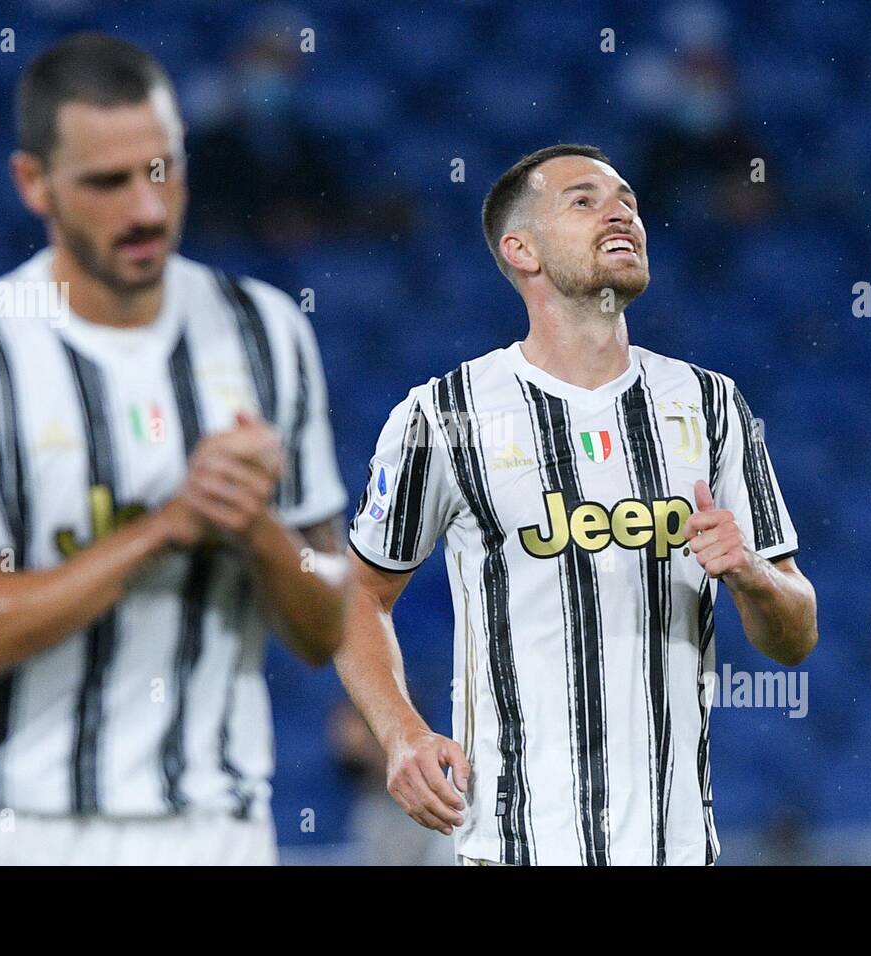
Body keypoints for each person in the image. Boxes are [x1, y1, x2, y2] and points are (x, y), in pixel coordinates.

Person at [0, 33, 348, 865]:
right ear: (34, 183)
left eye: (162, 170)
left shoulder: (266, 335)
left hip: (211, 829)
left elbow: (325, 628)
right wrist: (165, 527)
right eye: (107, 182)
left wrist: (255, 527)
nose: (145, 209)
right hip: (1, 829)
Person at [337, 144, 819, 866]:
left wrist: (751, 574)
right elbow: (356, 597)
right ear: (520, 249)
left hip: (677, 850)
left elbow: (796, 635)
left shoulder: (712, 407)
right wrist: (401, 732)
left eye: (627, 198)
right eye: (584, 200)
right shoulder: (445, 415)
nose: (621, 211)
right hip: (512, 848)